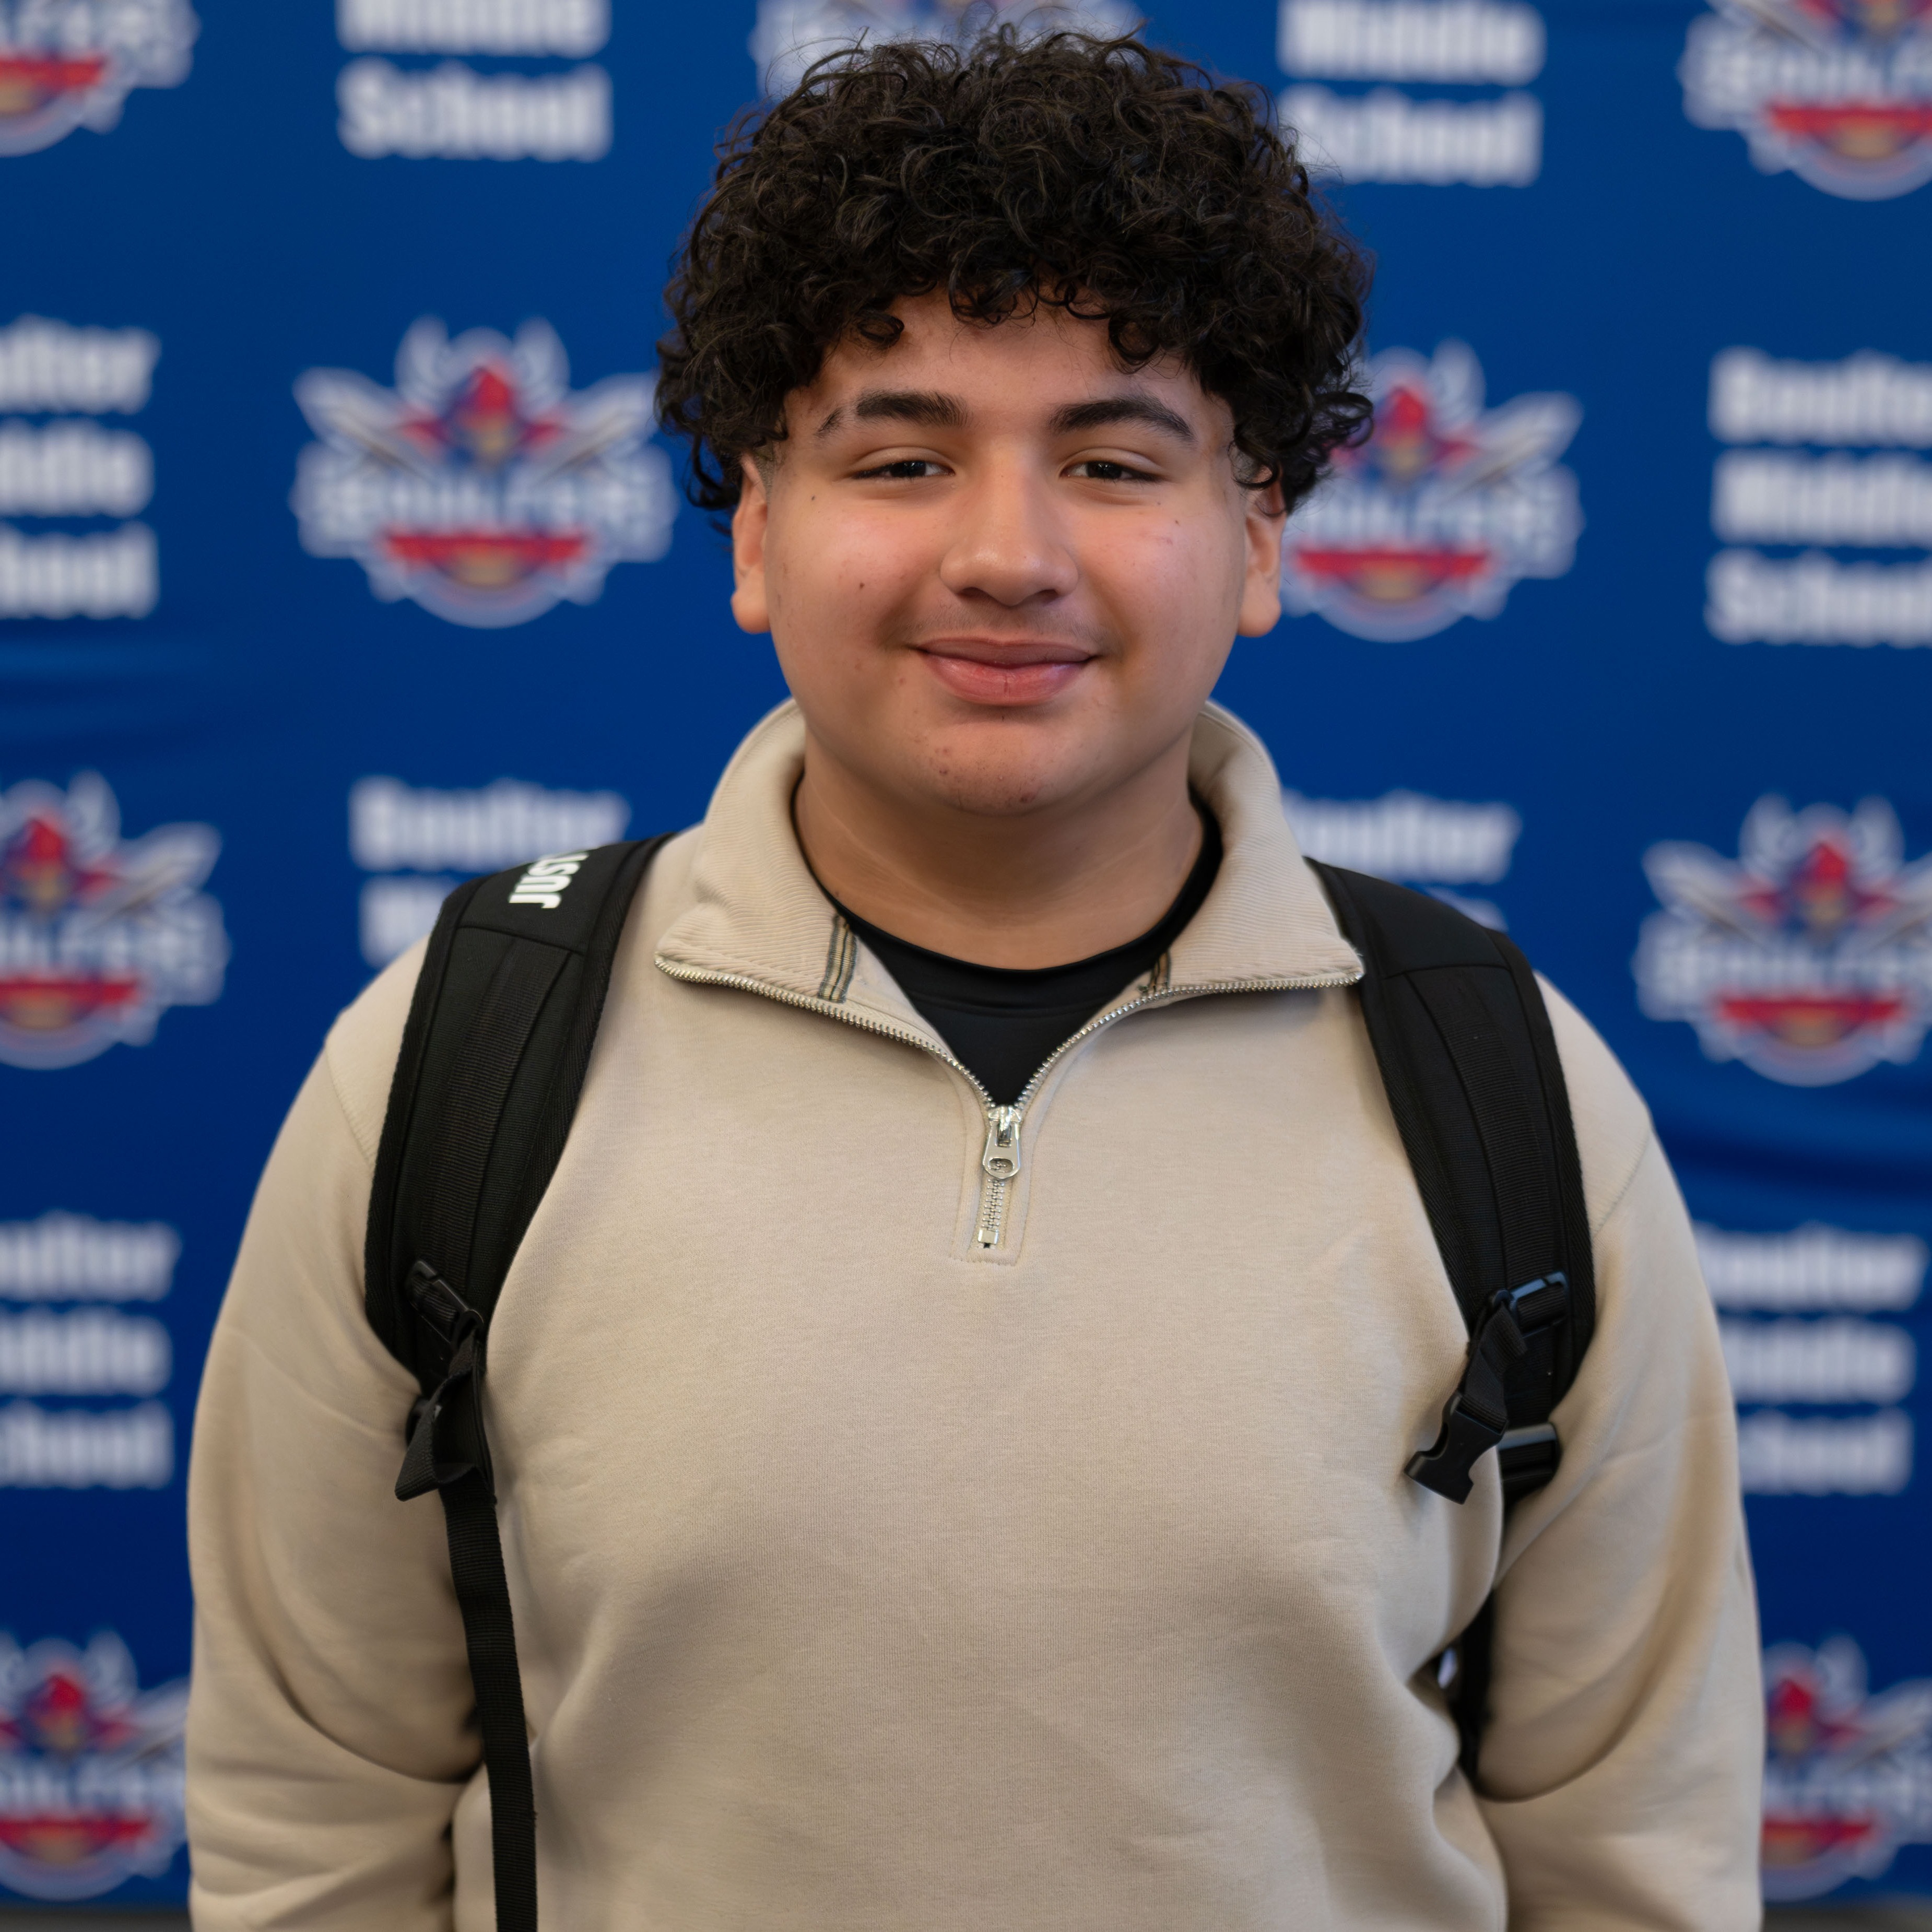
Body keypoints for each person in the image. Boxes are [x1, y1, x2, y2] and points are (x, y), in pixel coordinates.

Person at [185, 31, 1762, 1931]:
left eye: (1111, 458)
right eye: (904, 455)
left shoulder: (1502, 1083)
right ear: (756, 528)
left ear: (1257, 534)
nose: (1006, 554)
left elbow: (1632, 1856)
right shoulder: (455, 1055)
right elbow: (312, 1823)